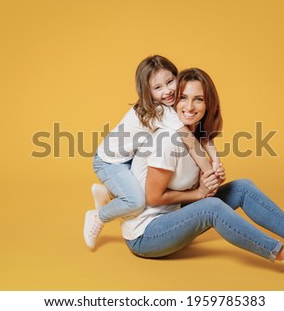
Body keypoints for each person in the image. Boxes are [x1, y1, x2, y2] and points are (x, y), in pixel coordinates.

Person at [120, 68, 284, 283]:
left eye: (198, 99)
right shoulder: (167, 139)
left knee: (241, 187)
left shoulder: (197, 139)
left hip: (174, 221)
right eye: (183, 98)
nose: (190, 107)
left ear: (208, 105)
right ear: (173, 101)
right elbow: (153, 197)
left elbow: (191, 194)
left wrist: (209, 183)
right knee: (211, 207)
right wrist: (200, 193)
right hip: (146, 236)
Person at [84, 56, 221, 249]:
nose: (167, 91)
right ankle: (99, 216)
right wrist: (210, 174)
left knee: (142, 185)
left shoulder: (173, 106)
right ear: (147, 92)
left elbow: (199, 134)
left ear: (177, 76)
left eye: (170, 82)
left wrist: (215, 159)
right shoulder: (159, 110)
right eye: (158, 88)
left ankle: (108, 191)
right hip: (109, 161)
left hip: (128, 158)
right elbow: (190, 142)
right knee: (136, 201)